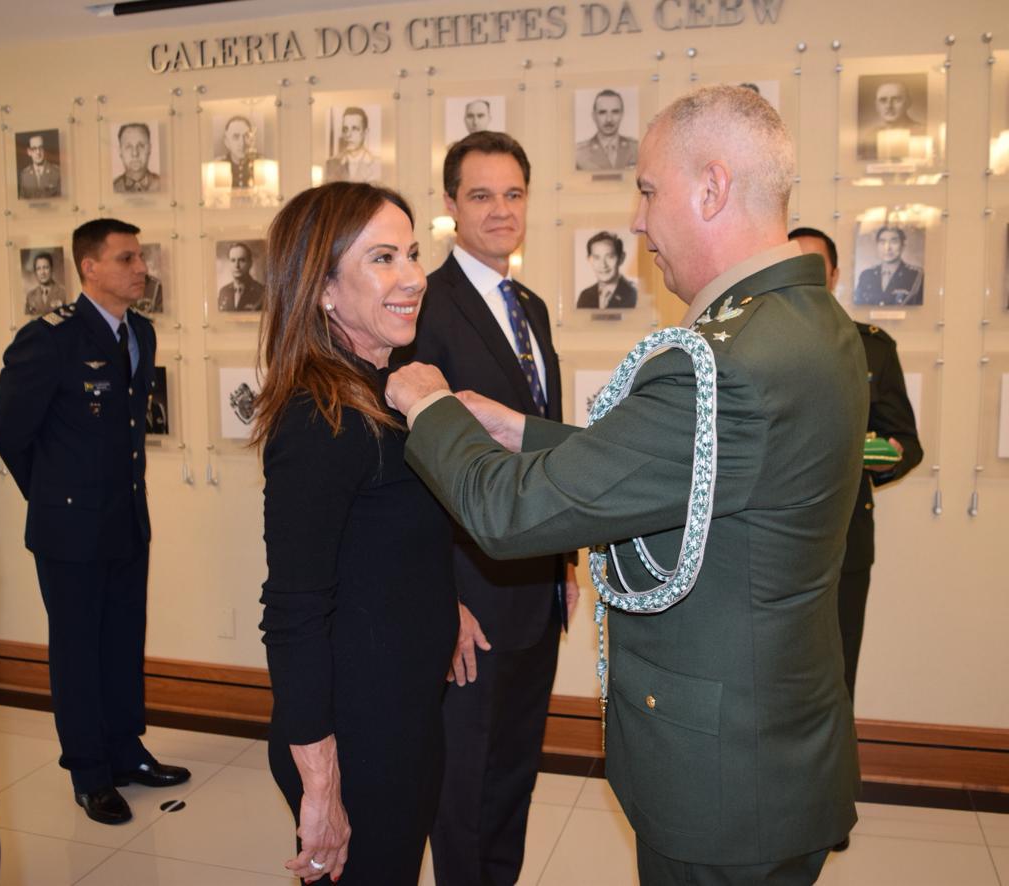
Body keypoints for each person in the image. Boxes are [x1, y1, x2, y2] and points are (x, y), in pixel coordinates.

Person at [387, 85, 866, 884]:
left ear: (711, 188)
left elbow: (511, 514)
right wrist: (525, 431)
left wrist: (430, 407)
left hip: (719, 782)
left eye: (647, 190)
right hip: (775, 748)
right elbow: (695, 469)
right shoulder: (812, 323)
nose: (638, 220)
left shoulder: (722, 365)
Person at [255, 182, 458, 885]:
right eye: (382, 259)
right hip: (356, 737)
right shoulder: (320, 419)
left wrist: (444, 608)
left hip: (402, 711)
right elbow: (294, 613)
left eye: (411, 253)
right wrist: (321, 786)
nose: (412, 278)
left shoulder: (385, 387)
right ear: (325, 291)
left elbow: (387, 545)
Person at [392, 130, 578, 886]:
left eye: (513, 194)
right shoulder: (423, 307)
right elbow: (412, 468)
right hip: (470, 596)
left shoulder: (528, 304)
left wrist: (566, 558)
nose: (501, 211)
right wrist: (444, 600)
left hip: (535, 587)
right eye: (481, 195)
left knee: (513, 775)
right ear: (448, 206)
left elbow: (543, 450)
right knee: (465, 789)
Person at [0, 218, 191, 826]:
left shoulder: (141, 334)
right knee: (77, 650)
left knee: (123, 641)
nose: (141, 269)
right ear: (90, 268)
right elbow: (8, 434)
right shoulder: (49, 339)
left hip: (126, 519)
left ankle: (125, 751)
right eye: (127, 258)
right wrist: (54, 498)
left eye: (141, 258)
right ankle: (88, 771)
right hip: (69, 530)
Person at [790, 227, 923, 701]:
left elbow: (906, 441)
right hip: (770, 543)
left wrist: (878, 457)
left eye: (816, 268)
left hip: (845, 539)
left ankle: (830, 775)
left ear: (835, 275)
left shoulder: (871, 348)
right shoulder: (750, 344)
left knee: (837, 676)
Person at [854, 225, 924, 306]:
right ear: (877, 246)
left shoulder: (916, 276)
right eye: (882, 242)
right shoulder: (866, 275)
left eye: (894, 242)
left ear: (903, 245)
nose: (887, 248)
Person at [859, 80, 926, 160]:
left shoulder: (923, 133)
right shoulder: (870, 137)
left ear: (908, 103)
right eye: (883, 100)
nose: (889, 106)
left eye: (896, 100)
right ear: (876, 105)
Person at [575, 89, 639, 171]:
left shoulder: (636, 149)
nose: (609, 119)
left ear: (622, 114)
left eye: (615, 112)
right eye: (602, 112)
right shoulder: (578, 155)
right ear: (594, 116)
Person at [576, 230, 638, 309]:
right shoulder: (585, 296)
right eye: (596, 257)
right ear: (589, 260)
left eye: (610, 257)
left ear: (621, 258)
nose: (603, 265)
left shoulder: (634, 295)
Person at [325, 107, 382, 183]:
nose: (348, 135)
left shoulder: (376, 164)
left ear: (365, 132)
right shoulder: (332, 164)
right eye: (345, 129)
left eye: (354, 129)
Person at [113, 123, 161, 193]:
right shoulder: (113, 188)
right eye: (128, 147)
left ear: (149, 148)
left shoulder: (162, 185)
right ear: (120, 151)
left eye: (141, 146)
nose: (135, 153)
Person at [217, 242, 265, 312]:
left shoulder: (261, 292)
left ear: (250, 263)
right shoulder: (224, 291)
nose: (237, 266)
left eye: (242, 260)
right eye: (233, 260)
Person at [217, 115, 259, 189]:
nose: (242, 143)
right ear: (226, 142)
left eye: (246, 136)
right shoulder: (218, 165)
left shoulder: (261, 163)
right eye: (236, 137)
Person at [18, 132, 61, 199]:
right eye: (34, 149)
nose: (38, 152)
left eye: (40, 148)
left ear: (44, 150)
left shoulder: (56, 172)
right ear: (29, 152)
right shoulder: (24, 175)